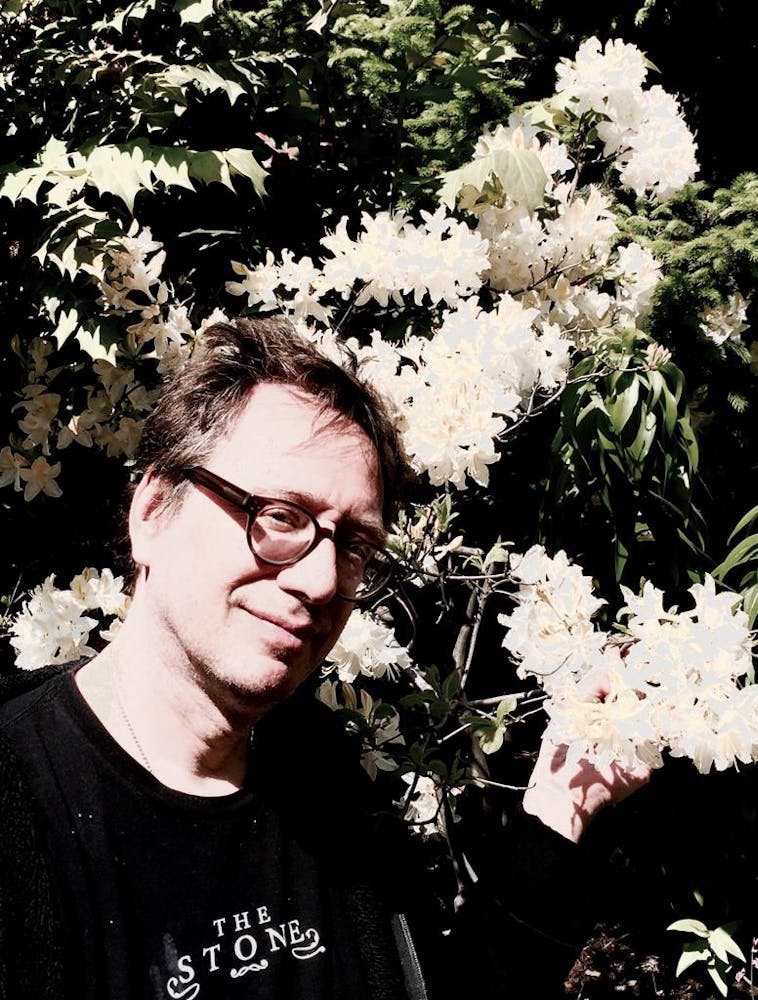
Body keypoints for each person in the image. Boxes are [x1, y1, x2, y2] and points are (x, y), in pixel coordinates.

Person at [0, 317, 648, 999]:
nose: (319, 579)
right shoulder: (21, 808)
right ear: (154, 510)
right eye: (280, 515)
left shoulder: (327, 788)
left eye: (353, 544)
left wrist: (560, 806)